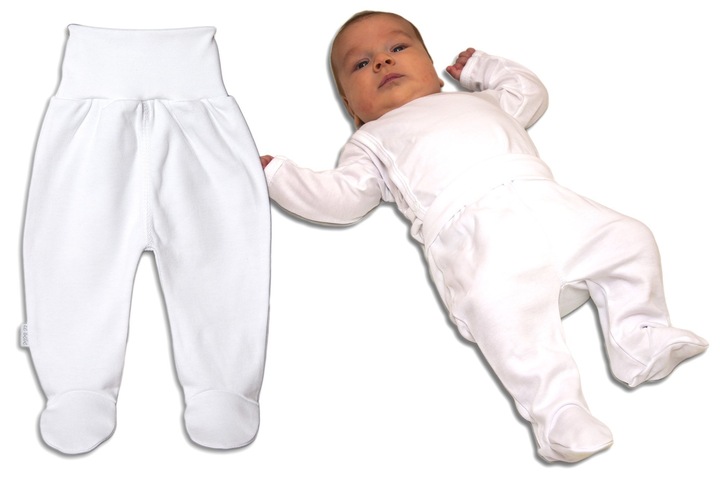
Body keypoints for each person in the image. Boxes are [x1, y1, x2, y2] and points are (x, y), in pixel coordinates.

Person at [260, 10, 708, 463]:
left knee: (628, 239)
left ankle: (640, 335)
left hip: (554, 206)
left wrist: (482, 67)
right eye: (361, 64)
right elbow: (342, 198)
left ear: (431, 66)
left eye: (397, 47)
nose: (382, 61)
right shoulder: (371, 141)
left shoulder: (484, 102)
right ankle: (559, 413)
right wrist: (278, 175)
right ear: (351, 107)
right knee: (506, 323)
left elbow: (530, 93)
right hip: (478, 241)